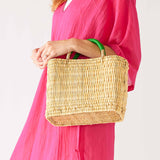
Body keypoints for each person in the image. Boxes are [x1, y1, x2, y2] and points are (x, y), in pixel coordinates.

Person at [10, 0, 141, 159]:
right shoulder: (62, 2)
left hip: (87, 103)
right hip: (55, 101)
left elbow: (125, 58)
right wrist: (45, 53)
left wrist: (72, 44)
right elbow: (62, 44)